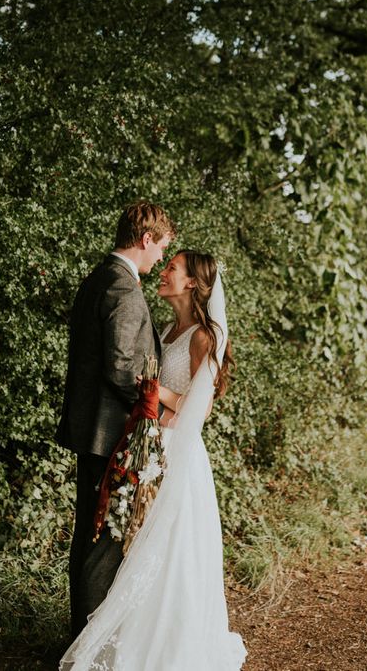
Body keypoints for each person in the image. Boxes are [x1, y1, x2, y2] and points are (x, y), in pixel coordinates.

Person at [60, 250, 246, 670]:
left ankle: (170, 645)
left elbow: (202, 406)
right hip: (149, 442)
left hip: (178, 451)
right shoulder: (166, 327)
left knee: (168, 548)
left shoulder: (204, 336)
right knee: (135, 545)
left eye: (172, 269)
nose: (163, 273)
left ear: (193, 283)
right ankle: (124, 633)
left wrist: (155, 392)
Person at [55, 200, 175, 639]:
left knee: (93, 534)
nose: (161, 256)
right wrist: (153, 411)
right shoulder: (123, 289)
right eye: (161, 246)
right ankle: (87, 646)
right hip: (110, 435)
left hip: (94, 432)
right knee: (102, 544)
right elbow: (124, 366)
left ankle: (83, 641)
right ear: (146, 239)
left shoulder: (100, 278)